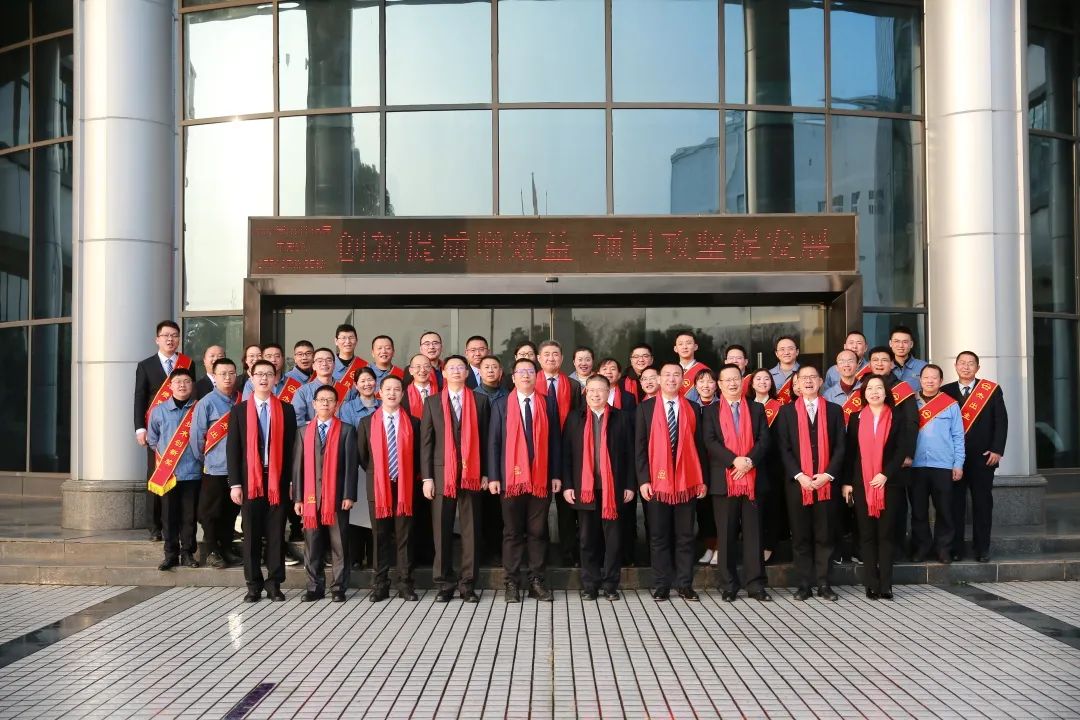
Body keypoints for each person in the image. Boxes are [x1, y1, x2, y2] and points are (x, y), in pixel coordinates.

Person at [487, 357, 562, 603]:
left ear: (536, 376)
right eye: (521, 372)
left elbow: (555, 441)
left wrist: (556, 474)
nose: (526, 375)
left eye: (530, 371)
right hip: (510, 480)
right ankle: (511, 582)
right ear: (513, 377)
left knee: (537, 532)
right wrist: (494, 476)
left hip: (541, 479)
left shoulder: (548, 403)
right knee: (512, 532)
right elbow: (494, 442)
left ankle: (536, 581)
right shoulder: (501, 404)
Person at [420, 355, 491, 603]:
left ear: (468, 373)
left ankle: (468, 583)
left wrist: (486, 472)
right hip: (442, 475)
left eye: (461, 367)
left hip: (472, 473)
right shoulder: (432, 402)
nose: (457, 371)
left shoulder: (480, 401)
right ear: (444, 373)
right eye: (452, 368)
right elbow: (426, 443)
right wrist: (427, 478)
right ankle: (444, 583)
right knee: (442, 530)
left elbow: (487, 440)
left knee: (471, 530)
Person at [635, 363, 708, 602]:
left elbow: (700, 448)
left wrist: (702, 480)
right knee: (659, 536)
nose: (671, 379)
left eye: (676, 375)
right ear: (658, 379)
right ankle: (661, 584)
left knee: (685, 536)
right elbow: (640, 448)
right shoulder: (645, 408)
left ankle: (684, 584)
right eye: (666, 375)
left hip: (687, 483)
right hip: (657, 484)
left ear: (683, 379)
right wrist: (643, 480)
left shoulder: (693, 408)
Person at [226, 359, 297, 603]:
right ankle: (253, 585)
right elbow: (233, 449)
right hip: (250, 482)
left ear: (276, 378)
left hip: (278, 480)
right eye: (259, 374)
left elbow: (291, 449)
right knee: (251, 534)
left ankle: (275, 583)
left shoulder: (286, 410)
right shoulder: (239, 411)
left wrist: (291, 482)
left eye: (269, 374)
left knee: (276, 533)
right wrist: (235, 484)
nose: (264, 378)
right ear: (251, 377)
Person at [775, 365, 846, 601]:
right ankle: (804, 584)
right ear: (796, 384)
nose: (808, 381)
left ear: (820, 381)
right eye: (803, 378)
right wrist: (799, 475)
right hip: (798, 485)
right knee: (801, 536)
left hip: (826, 484)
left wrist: (828, 474)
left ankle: (824, 584)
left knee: (825, 536)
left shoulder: (834, 410)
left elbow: (841, 447)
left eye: (812, 377)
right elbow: (783, 448)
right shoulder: (786, 412)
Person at [703, 364, 772, 602]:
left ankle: (756, 585)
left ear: (743, 382)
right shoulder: (710, 411)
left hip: (753, 479)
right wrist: (734, 461)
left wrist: (749, 461)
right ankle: (728, 585)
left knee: (754, 535)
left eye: (736, 379)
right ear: (719, 385)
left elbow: (764, 439)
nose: (732, 383)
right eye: (727, 380)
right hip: (724, 481)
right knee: (726, 535)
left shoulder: (756, 408)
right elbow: (710, 441)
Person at [562, 374, 634, 601]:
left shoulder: (621, 418)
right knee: (587, 539)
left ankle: (611, 584)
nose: (595, 394)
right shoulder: (575, 418)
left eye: (600, 390)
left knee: (613, 540)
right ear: (585, 393)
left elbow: (630, 455)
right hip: (585, 489)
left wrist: (630, 484)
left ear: (608, 392)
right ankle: (590, 584)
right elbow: (566, 455)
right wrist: (568, 485)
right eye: (591, 390)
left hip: (614, 489)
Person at [841, 375, 910, 600]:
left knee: (886, 535)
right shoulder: (856, 418)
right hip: (862, 484)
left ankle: (886, 584)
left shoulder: (897, 416)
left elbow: (902, 449)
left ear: (886, 392)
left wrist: (885, 474)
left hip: (890, 483)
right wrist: (847, 482)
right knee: (867, 535)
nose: (874, 392)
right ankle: (871, 583)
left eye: (879, 388)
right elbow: (850, 453)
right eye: (869, 388)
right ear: (863, 393)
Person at [356, 375, 421, 602]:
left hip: (405, 487)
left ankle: (405, 583)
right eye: (388, 389)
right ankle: (380, 584)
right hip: (378, 488)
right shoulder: (367, 423)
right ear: (380, 393)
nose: (392, 393)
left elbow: (418, 457)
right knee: (379, 536)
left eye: (397, 390)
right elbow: (363, 457)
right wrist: (380, 474)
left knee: (405, 536)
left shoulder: (414, 423)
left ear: (402, 394)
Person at [291, 384, 359, 603]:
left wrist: (349, 495)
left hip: (337, 498)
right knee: (312, 544)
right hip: (311, 498)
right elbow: (297, 468)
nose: (325, 404)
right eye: (321, 400)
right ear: (314, 404)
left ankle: (338, 587)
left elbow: (350, 467)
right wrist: (298, 498)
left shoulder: (347, 430)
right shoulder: (303, 432)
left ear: (337, 405)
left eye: (330, 400)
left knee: (340, 544)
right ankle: (314, 587)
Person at [942, 351, 1008, 562]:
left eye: (971, 363)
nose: (966, 367)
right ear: (955, 366)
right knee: (955, 504)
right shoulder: (945, 391)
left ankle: (982, 548)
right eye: (962, 363)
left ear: (978, 367)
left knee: (982, 503)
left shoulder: (991, 390)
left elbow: (1001, 421)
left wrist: (997, 449)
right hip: (953, 459)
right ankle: (956, 549)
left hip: (983, 457)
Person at [134, 320, 192, 541]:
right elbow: (140, 397)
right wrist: (140, 428)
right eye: (166, 335)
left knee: (180, 477)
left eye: (174, 335)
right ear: (157, 339)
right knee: (156, 475)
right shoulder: (146, 365)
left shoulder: (187, 363)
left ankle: (175, 524)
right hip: (156, 429)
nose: (170, 339)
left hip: (181, 428)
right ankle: (154, 525)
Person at [146, 367, 201, 571]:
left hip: (192, 471)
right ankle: (170, 555)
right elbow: (153, 440)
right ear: (170, 386)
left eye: (187, 381)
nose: (182, 385)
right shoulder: (158, 410)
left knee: (189, 517)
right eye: (178, 382)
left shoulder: (198, 408)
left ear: (192, 385)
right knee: (168, 517)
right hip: (168, 473)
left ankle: (187, 553)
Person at [911, 364, 965, 564]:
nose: (930, 381)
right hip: (915, 465)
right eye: (926, 377)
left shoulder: (950, 404)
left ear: (941, 381)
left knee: (944, 510)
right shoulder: (911, 402)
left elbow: (958, 436)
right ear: (920, 379)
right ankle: (922, 547)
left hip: (943, 465)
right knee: (918, 510)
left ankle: (944, 549)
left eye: (934, 377)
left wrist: (958, 463)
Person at [190, 357, 241, 568]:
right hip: (215, 468)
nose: (228, 378)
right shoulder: (206, 403)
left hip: (237, 469)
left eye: (231, 373)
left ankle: (226, 548)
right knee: (211, 512)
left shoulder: (241, 400)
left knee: (231, 511)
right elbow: (196, 438)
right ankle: (212, 551)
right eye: (223, 374)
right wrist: (207, 460)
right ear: (215, 376)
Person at [536, 340, 582, 567]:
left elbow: (579, 418)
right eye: (546, 354)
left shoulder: (573, 385)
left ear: (562, 359)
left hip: (566, 452)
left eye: (555, 354)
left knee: (567, 508)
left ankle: (568, 554)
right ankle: (540, 554)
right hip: (538, 454)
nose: (551, 358)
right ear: (538, 358)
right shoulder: (530, 382)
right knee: (538, 508)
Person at [822, 348, 865, 564]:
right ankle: (837, 550)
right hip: (835, 454)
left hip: (861, 453)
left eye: (851, 361)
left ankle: (859, 550)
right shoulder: (827, 395)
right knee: (836, 505)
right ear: (836, 367)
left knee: (860, 505)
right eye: (842, 361)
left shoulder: (867, 390)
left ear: (858, 365)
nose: (846, 365)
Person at [337, 366, 379, 571]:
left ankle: (374, 556)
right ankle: (355, 556)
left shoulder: (383, 405)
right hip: (356, 463)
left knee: (375, 512)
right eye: (362, 381)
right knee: (356, 511)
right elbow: (346, 435)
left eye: (370, 380)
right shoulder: (348, 408)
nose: (367, 384)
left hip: (379, 467)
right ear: (355, 385)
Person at [747, 368, 787, 563]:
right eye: (758, 379)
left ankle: (769, 545)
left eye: (766, 379)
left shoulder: (781, 408)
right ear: (751, 383)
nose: (762, 382)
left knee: (772, 506)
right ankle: (753, 545)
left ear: (772, 383)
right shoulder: (745, 406)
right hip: (749, 464)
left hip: (773, 465)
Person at [474, 354, 508, 563]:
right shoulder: (473, 396)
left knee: (499, 510)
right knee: (481, 510)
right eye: (486, 367)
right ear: (479, 372)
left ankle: (498, 550)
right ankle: (483, 551)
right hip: (479, 459)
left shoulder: (508, 396)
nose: (490, 370)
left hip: (503, 459)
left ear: (501, 372)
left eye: (494, 367)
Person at [691, 368, 720, 566]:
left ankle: (720, 547)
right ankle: (709, 546)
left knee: (719, 509)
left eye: (710, 381)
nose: (706, 385)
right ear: (695, 385)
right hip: (698, 465)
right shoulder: (691, 407)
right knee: (703, 508)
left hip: (718, 464)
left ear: (717, 385)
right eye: (701, 382)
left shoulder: (722, 405)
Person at [294, 347, 356, 427]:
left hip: (340, 433)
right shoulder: (302, 392)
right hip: (312, 433)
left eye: (329, 360)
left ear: (334, 365)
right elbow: (297, 420)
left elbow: (351, 418)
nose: (324, 364)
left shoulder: (347, 391)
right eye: (320, 361)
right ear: (313, 366)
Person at [890, 325, 927, 393]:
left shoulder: (923, 366)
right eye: (896, 341)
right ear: (890, 343)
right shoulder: (885, 367)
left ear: (911, 344)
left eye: (905, 342)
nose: (901, 345)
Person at [403, 353, 440, 420]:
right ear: (411, 371)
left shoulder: (441, 391)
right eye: (418, 366)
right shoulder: (403, 394)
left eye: (426, 366)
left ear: (431, 369)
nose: (422, 370)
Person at [675, 331, 710, 401]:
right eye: (680, 344)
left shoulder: (705, 371)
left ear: (695, 347)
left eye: (688, 343)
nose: (684, 347)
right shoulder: (670, 371)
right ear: (675, 349)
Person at [770, 336, 800, 404]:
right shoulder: (768, 375)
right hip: (775, 410)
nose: (786, 352)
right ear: (776, 353)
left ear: (797, 352)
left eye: (790, 349)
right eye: (782, 349)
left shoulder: (806, 373)